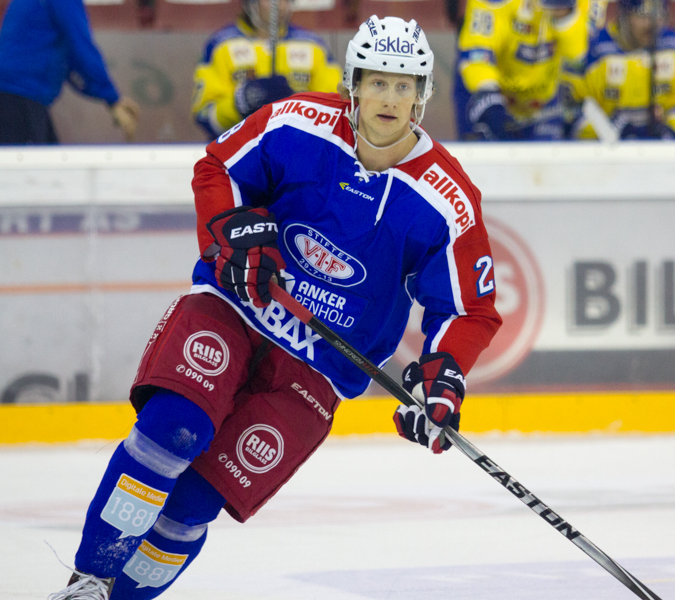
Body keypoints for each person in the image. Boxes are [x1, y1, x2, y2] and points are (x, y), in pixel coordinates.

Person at [50, 14, 502, 600]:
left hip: (317, 369)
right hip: (238, 308)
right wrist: (233, 231)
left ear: (422, 94)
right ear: (352, 84)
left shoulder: (448, 198)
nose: (390, 97)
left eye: (404, 84)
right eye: (378, 81)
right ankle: (88, 580)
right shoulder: (298, 123)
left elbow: (468, 309)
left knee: (195, 502)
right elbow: (217, 170)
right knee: (173, 429)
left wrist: (441, 379)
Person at [0, 0, 139, 145]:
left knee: (49, 170)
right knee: (32, 174)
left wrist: (109, 98)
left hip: (10, 97)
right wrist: (112, 99)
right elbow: (82, 49)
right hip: (17, 99)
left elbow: (71, 62)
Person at [191, 0, 341, 139]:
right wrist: (240, 102)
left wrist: (299, 107)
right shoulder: (221, 45)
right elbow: (204, 115)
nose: (279, 5)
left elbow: (337, 109)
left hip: (297, 152)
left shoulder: (314, 46)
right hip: (240, 154)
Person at [565, 0, 675, 140]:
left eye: (658, 14)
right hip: (606, 155)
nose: (651, 23)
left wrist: (671, 133)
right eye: (641, 15)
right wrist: (608, 132)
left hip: (665, 154)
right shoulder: (594, 50)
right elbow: (574, 106)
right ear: (624, 16)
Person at [453, 0, 592, 141]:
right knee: (482, 157)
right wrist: (489, 99)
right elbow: (476, 54)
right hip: (488, 92)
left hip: (543, 101)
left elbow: (577, 55)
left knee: (544, 159)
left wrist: (564, 14)